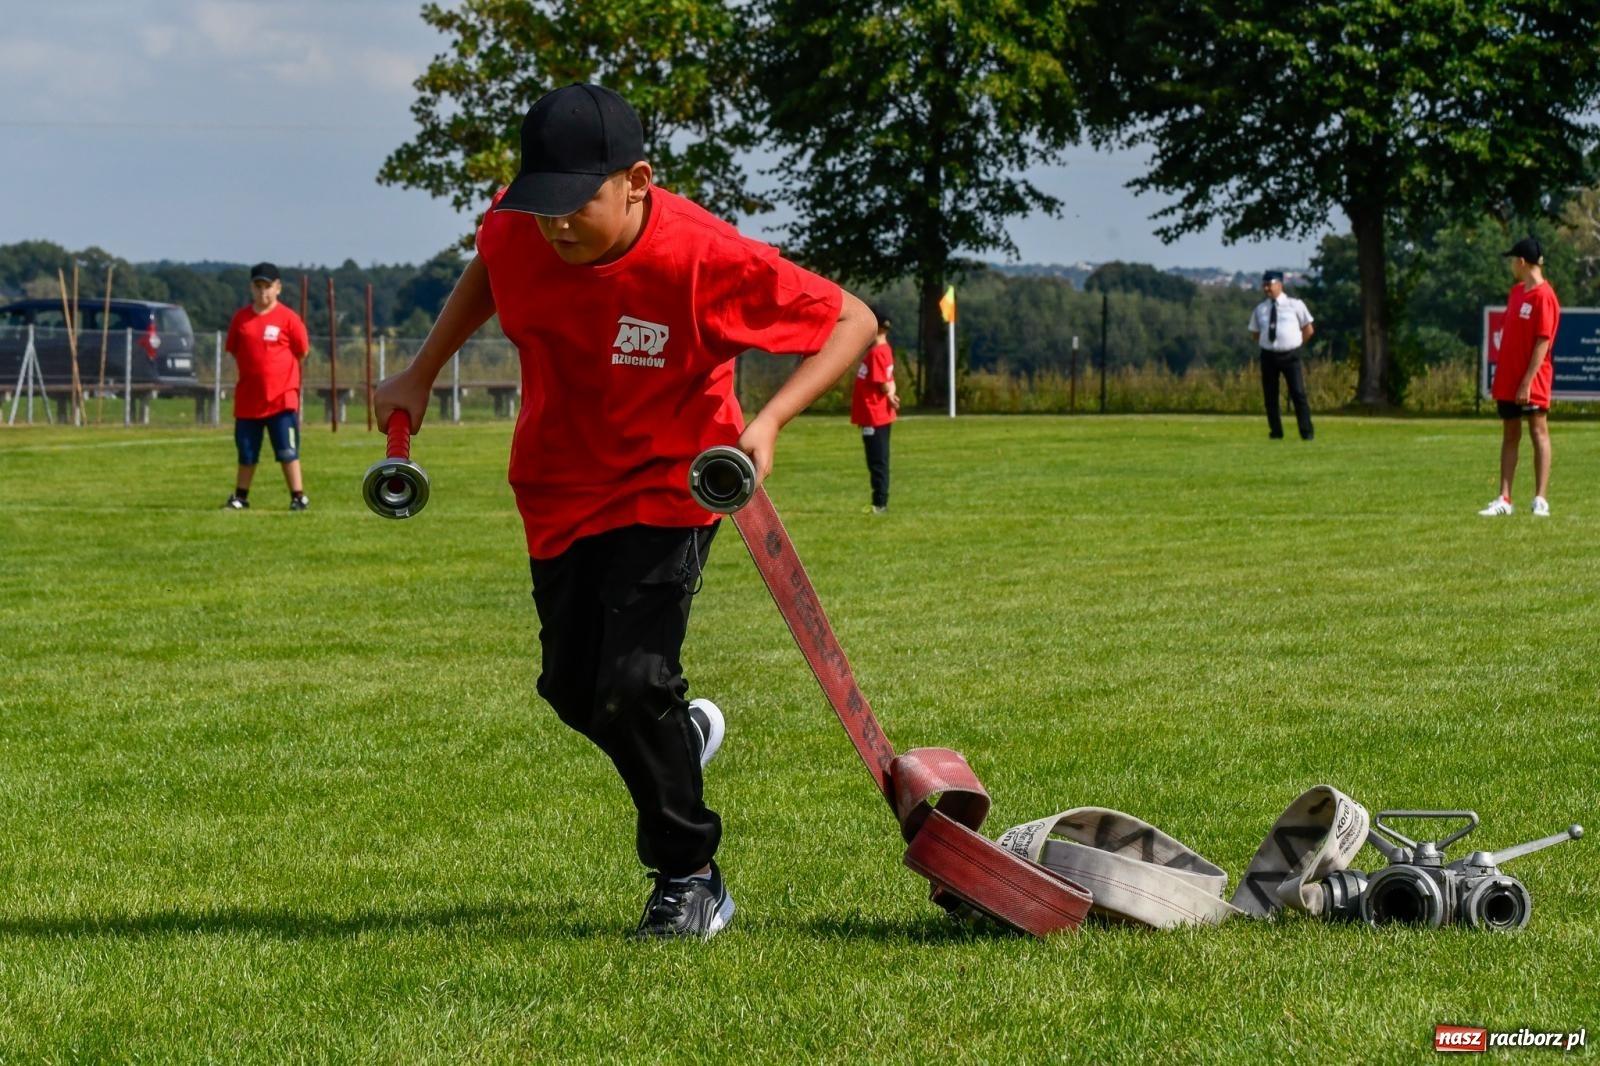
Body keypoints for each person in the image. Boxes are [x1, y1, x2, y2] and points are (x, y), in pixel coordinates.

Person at [373, 83, 875, 940]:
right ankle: (677, 736)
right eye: (542, 206)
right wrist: (421, 369)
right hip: (558, 481)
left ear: (637, 180)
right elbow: (494, 262)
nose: (556, 225)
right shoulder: (517, 226)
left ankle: (691, 876)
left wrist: (771, 419)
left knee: (631, 683)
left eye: (577, 205)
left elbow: (854, 321)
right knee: (574, 690)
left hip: (667, 482)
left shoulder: (704, 258)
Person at [1479, 236, 1560, 517]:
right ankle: (1505, 498)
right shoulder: (1516, 293)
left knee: (1538, 432)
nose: (1512, 265)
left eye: (1513, 260)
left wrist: (1527, 380)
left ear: (1522, 262)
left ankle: (1540, 499)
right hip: (1509, 378)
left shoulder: (1545, 296)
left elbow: (1543, 341)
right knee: (1510, 434)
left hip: (1532, 379)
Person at [223, 262, 311, 511]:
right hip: (249, 400)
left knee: (287, 451)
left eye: (268, 287)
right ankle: (240, 496)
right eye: (258, 286)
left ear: (278, 288)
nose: (263, 292)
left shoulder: (289, 319)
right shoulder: (241, 319)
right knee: (247, 453)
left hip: (281, 399)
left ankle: (298, 496)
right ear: (251, 288)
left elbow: (302, 350)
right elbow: (234, 350)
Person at [1247, 270, 1316, 440]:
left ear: (1279, 284)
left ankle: (1306, 432)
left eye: (1269, 284)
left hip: (1290, 356)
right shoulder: (1260, 309)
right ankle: (1276, 432)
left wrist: (1295, 344)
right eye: (1264, 285)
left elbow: (1308, 329)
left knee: (1298, 393)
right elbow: (1255, 333)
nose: (1266, 288)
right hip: (1269, 356)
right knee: (1270, 396)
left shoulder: (1295, 305)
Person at [850, 313, 900, 514]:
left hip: (874, 415)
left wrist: (889, 395)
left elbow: (882, 382)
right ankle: (879, 501)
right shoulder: (884, 350)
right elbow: (889, 380)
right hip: (876, 414)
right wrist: (892, 395)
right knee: (878, 459)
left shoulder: (877, 353)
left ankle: (880, 503)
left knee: (877, 460)